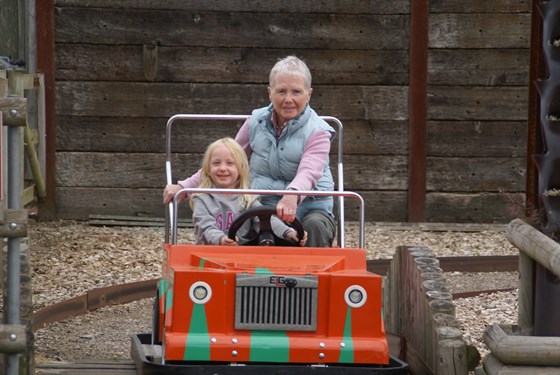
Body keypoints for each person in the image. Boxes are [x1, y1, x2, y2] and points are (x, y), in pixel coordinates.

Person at [164, 55, 336, 247]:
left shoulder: (319, 131)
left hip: (310, 206)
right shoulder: (256, 122)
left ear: (308, 94)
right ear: (270, 93)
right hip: (264, 205)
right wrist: (184, 187)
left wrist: (292, 195)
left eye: (296, 92)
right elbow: (232, 157)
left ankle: (313, 275)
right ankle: (251, 275)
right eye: (281, 92)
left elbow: (309, 171)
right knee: (256, 227)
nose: (288, 99)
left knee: (314, 226)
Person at [189, 137, 306, 246]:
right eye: (216, 163)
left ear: (240, 169)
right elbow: (205, 226)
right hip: (209, 255)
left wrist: (288, 232)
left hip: (242, 255)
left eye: (230, 163)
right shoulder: (201, 198)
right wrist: (220, 239)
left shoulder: (247, 198)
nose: (223, 168)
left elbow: (266, 220)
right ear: (208, 169)